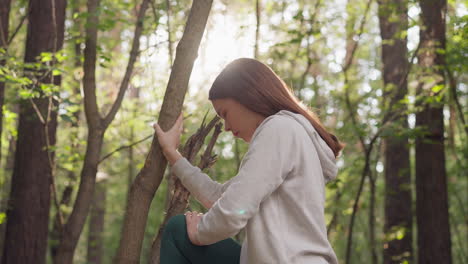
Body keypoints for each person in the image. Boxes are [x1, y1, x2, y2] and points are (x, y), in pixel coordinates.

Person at [154, 58, 344, 264]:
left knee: (178, 229)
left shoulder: (280, 128)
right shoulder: (288, 134)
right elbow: (221, 197)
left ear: (247, 96)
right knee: (180, 230)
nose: (225, 127)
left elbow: (234, 210)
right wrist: (172, 154)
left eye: (225, 113)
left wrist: (199, 232)